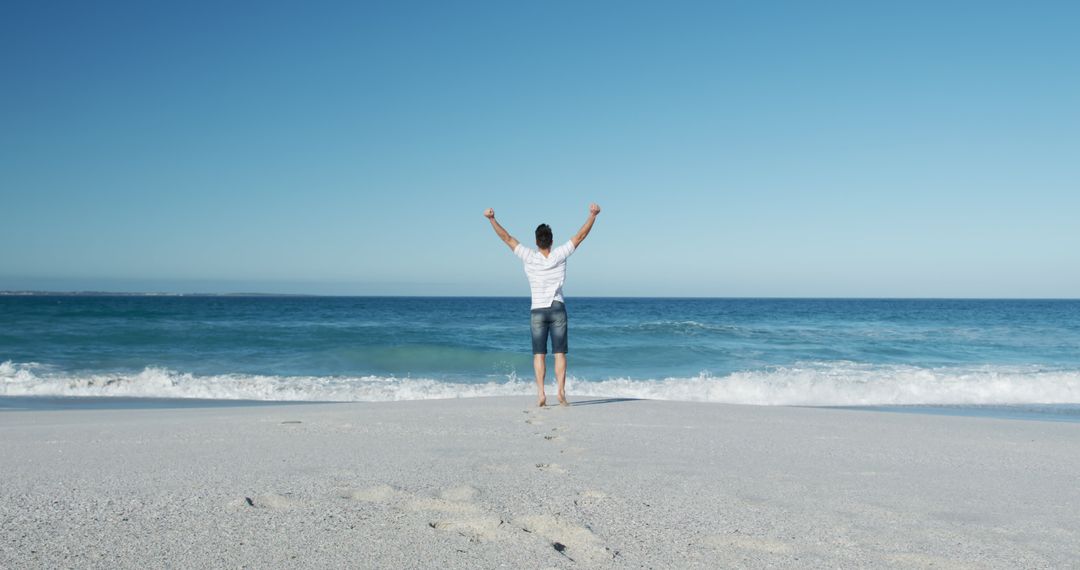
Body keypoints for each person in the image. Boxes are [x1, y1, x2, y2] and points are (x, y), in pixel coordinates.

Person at [484, 203, 601, 407]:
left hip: (537, 310)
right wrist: (593, 215)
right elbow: (580, 236)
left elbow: (507, 238)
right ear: (551, 241)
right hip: (557, 308)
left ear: (536, 242)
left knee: (539, 354)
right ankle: (561, 392)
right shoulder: (559, 254)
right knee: (559, 353)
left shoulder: (529, 256)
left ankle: (541, 394)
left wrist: (492, 219)